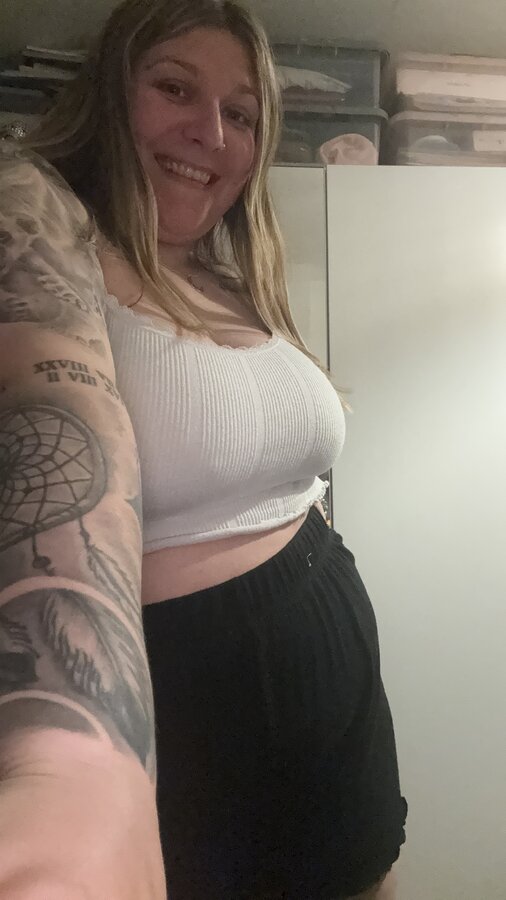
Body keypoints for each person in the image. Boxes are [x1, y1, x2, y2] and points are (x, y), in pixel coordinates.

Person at [0, 0, 407, 897]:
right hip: (192, 712)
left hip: (337, 697)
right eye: (175, 89)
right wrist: (74, 773)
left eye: (242, 114)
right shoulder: (45, 228)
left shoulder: (227, 272)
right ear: (112, 95)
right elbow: (53, 417)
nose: (211, 133)